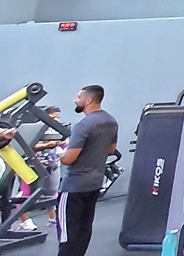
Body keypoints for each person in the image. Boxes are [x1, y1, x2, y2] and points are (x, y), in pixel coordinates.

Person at [56, 86, 118, 256]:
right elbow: (111, 149)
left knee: (68, 233)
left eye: (79, 97)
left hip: (74, 186)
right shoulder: (111, 121)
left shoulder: (83, 125)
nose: (76, 100)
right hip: (94, 184)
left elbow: (68, 159)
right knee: (83, 229)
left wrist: (60, 153)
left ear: (88, 100)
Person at [13, 105, 65, 233]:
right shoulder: (35, 129)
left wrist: (65, 144)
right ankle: (25, 222)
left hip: (52, 164)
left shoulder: (57, 129)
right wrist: (47, 145)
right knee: (24, 194)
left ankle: (53, 219)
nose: (56, 120)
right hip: (33, 166)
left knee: (51, 193)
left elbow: (64, 143)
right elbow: (29, 145)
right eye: (53, 117)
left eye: (57, 117)